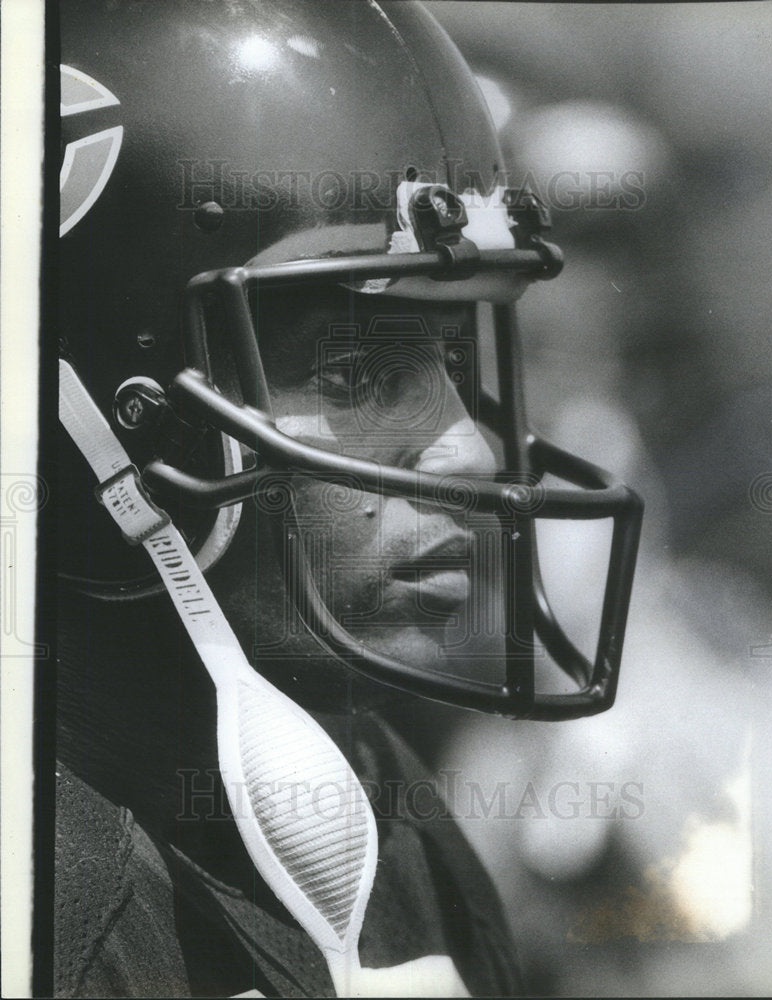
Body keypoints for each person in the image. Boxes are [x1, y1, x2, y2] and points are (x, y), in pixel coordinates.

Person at [54, 1, 642, 996]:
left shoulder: (368, 795)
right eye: (349, 378)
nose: (468, 447)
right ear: (100, 418)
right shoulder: (53, 910)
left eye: (453, 357)